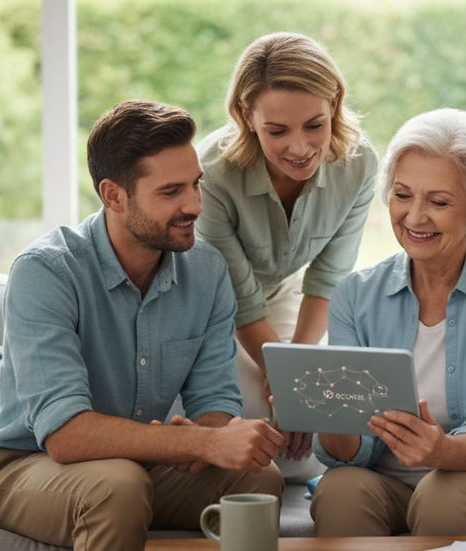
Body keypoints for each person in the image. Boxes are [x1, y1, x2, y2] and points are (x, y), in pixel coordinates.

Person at [0, 100, 284, 550]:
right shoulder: (46, 271)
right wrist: (197, 444)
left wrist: (213, 437)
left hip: (135, 468)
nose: (194, 205)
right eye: (171, 192)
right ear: (113, 195)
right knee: (118, 486)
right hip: (25, 467)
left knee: (257, 479)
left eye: (196, 184)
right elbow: (66, 435)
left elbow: (214, 400)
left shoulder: (207, 270)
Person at [310, 108, 466, 536]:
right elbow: (352, 449)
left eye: (438, 202)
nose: (415, 217)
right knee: (340, 489)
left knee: (443, 495)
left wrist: (443, 451)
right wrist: (328, 417)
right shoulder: (355, 295)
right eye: (402, 195)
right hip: (384, 480)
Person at [196, 32, 378, 479]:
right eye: (277, 131)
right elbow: (240, 299)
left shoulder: (359, 165)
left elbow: (328, 279)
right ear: (246, 116)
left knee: (304, 452)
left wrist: (299, 375)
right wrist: (288, 381)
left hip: (283, 291)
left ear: (334, 104)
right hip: (212, 305)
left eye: (314, 125)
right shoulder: (213, 174)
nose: (299, 148)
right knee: (258, 435)